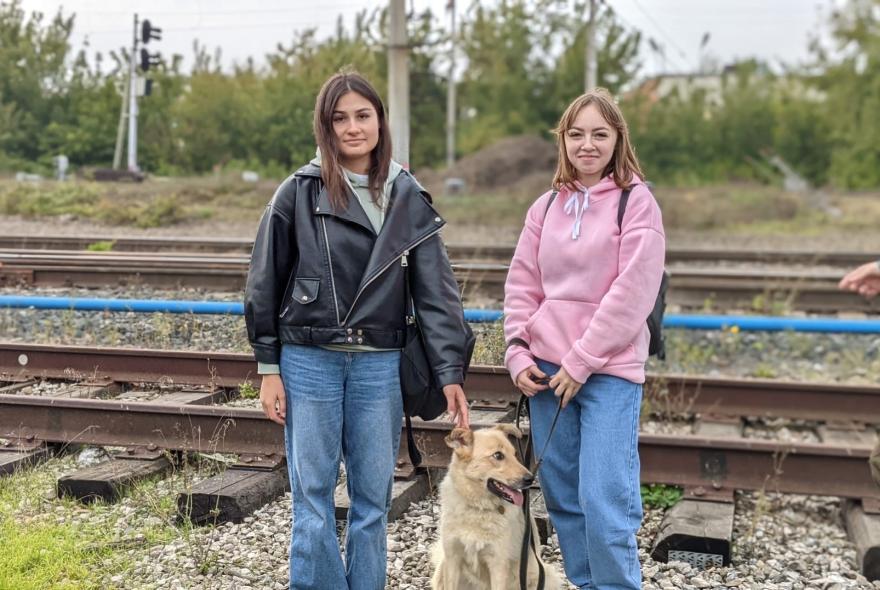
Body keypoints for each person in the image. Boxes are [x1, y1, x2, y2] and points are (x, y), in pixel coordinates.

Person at [244, 70, 471, 590]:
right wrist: (268, 367)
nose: (352, 127)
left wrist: (449, 369)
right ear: (325, 127)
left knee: (373, 499)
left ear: (379, 121)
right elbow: (263, 281)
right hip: (309, 358)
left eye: (362, 115)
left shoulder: (405, 193)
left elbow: (436, 293)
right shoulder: (298, 192)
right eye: (339, 117)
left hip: (379, 362)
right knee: (313, 497)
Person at [503, 88, 665, 589]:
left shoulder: (636, 203)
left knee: (604, 497)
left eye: (600, 134)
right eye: (576, 134)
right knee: (565, 498)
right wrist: (516, 349)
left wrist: (582, 359)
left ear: (618, 139)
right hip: (548, 374)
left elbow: (633, 291)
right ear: (564, 141)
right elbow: (522, 282)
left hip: (608, 372)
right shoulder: (546, 205)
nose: (587, 144)